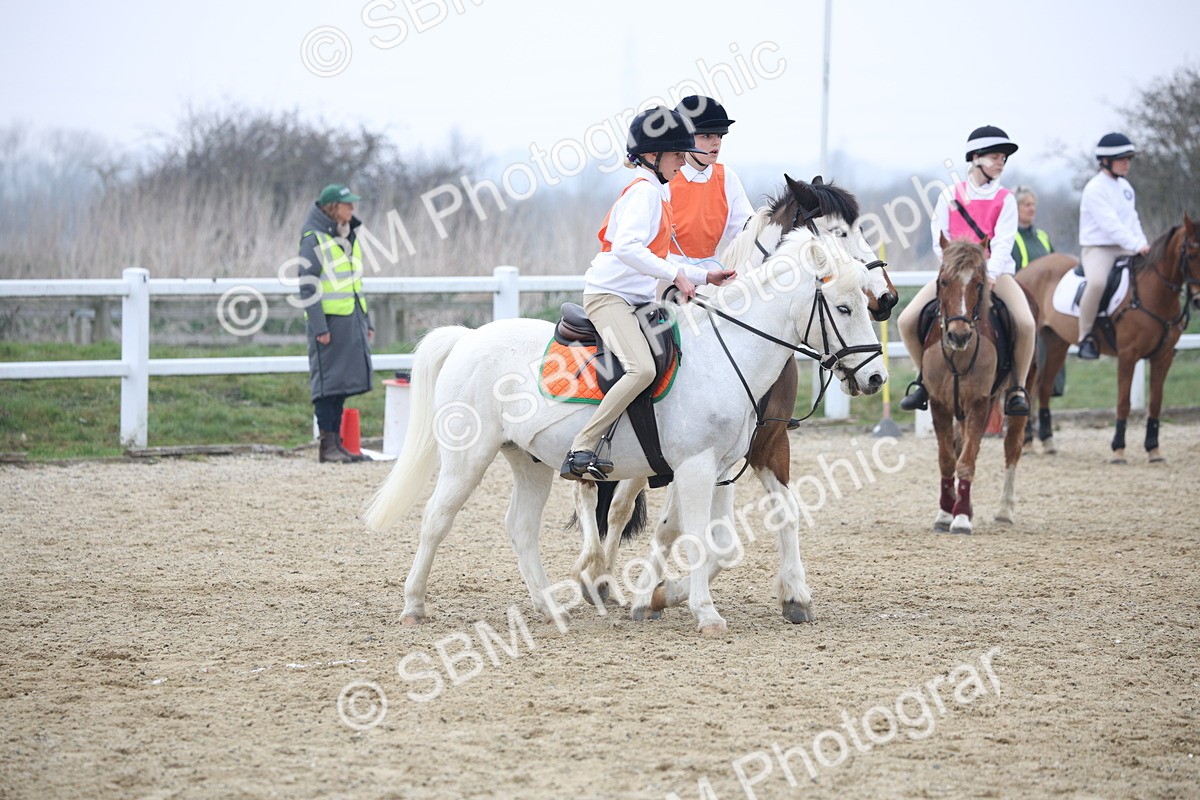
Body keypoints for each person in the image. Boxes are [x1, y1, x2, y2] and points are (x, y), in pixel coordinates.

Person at [561, 107, 736, 480]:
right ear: (653, 157)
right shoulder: (644, 192)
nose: (681, 162)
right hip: (609, 298)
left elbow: (656, 255)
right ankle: (582, 446)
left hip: (636, 301)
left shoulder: (656, 190)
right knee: (641, 369)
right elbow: (627, 248)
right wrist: (677, 274)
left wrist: (706, 277)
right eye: (675, 155)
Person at [898, 125, 1033, 416]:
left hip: (995, 274)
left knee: (1026, 324)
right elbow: (939, 238)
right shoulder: (950, 195)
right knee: (907, 321)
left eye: (1003, 158)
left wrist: (991, 274)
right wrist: (953, 267)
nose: (1001, 162)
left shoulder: (1006, 199)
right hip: (954, 275)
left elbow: (1004, 242)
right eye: (995, 156)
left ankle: (1016, 389)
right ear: (975, 157)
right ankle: (923, 380)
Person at [298, 183, 375, 463]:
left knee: (339, 385)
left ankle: (337, 444)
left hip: (349, 319)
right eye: (348, 205)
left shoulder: (347, 236)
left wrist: (366, 320)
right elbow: (307, 287)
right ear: (333, 207)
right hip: (328, 323)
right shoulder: (313, 239)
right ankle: (326, 445)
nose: (353, 209)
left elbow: (356, 283)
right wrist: (320, 327)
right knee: (326, 385)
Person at [1076, 132, 1149, 360]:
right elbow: (1110, 225)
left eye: (1129, 158)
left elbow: (1132, 220)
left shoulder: (1126, 187)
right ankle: (1085, 336)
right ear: (1106, 161)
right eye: (1122, 158)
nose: (1127, 163)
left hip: (1127, 246)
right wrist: (1136, 244)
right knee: (1097, 283)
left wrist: (1144, 244)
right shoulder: (1095, 188)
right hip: (1099, 248)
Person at [668, 95, 754, 267]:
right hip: (665, 275)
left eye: (720, 135)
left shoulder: (727, 178)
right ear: (685, 138)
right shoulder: (665, 179)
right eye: (706, 136)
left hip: (711, 275)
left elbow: (746, 231)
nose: (716, 142)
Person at [1011, 186, 1065, 396]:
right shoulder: (1011, 237)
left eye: (1033, 204)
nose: (1031, 209)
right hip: (1023, 300)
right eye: (1026, 204)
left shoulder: (1042, 235)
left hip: (1047, 305)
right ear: (1015, 208)